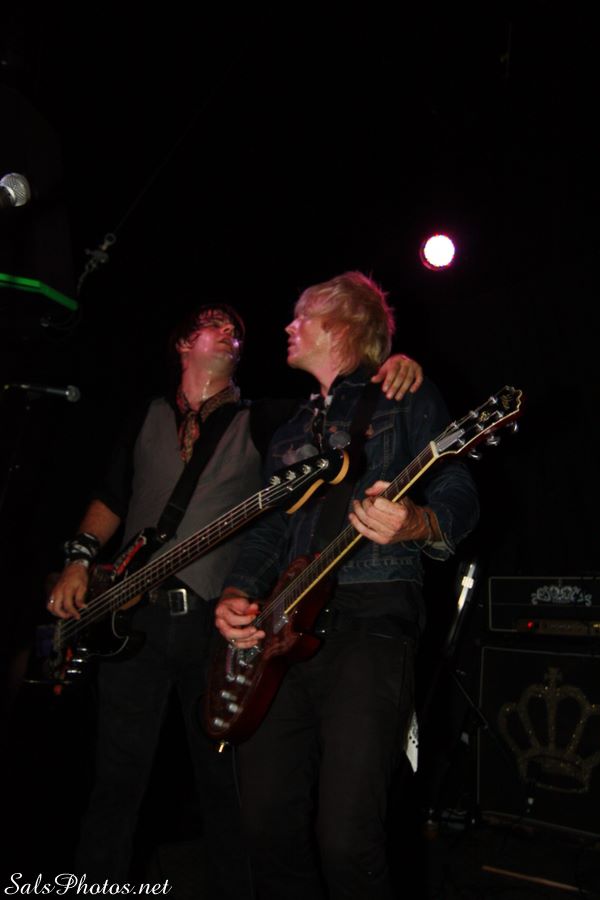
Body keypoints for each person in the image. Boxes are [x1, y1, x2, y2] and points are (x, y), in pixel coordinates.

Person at [47, 300, 423, 897]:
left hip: (215, 620)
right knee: (115, 779)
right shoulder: (146, 414)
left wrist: (393, 366)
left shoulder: (268, 417)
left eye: (236, 331)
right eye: (214, 325)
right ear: (183, 343)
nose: (230, 334)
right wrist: (78, 559)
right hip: (129, 619)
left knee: (227, 784)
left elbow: (336, 405)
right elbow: (111, 496)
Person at [215, 273, 480, 900]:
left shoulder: (403, 394)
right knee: (266, 827)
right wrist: (236, 593)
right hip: (282, 635)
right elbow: (267, 531)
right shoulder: (289, 431)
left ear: (340, 325)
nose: (287, 326)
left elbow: (459, 492)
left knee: (347, 837)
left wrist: (416, 522)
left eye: (300, 316)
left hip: (371, 616)